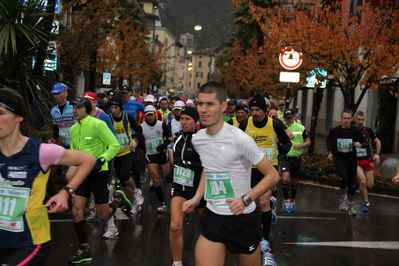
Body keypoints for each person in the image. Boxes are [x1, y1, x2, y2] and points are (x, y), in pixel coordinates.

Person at [183, 82, 279, 266]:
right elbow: (209, 168)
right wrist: (197, 197)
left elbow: (273, 175)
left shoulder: (240, 139)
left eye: (210, 104)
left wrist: (245, 199)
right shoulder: (198, 139)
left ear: (223, 106)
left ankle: (265, 259)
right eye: (200, 103)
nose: (203, 109)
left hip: (242, 219)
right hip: (213, 217)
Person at [0, 88, 95, 266]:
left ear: (18, 117)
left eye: (1, 113)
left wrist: (65, 192)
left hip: (31, 241)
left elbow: (87, 160)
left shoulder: (40, 151)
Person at [67, 97, 128, 264]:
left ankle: (118, 199)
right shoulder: (73, 129)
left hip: (99, 174)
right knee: (77, 210)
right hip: (82, 174)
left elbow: (114, 145)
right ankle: (85, 248)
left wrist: (102, 159)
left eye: (78, 108)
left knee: (103, 216)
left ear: (86, 109)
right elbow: (74, 150)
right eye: (73, 108)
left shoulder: (97, 124)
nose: (75, 111)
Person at [239, 93, 292, 252]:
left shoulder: (274, 124)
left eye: (258, 110)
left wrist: (282, 150)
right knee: (250, 203)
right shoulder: (245, 123)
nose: (254, 113)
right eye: (252, 110)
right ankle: (252, 231)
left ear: (266, 109)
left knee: (262, 201)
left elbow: (286, 143)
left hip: (268, 171)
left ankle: (264, 239)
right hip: (249, 170)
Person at [169, 106, 205, 266]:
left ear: (195, 121)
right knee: (175, 227)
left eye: (187, 119)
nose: (183, 122)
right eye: (182, 119)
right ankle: (177, 263)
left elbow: (206, 166)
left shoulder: (201, 139)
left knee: (207, 230)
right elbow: (176, 163)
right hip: (180, 189)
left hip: (199, 191)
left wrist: (187, 164)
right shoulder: (177, 139)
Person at [326, 110, 367, 216]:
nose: (346, 121)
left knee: (351, 184)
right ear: (341, 118)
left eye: (348, 118)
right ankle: (344, 197)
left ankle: (351, 204)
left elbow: (366, 142)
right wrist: (330, 152)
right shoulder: (335, 130)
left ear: (352, 119)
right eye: (344, 118)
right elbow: (328, 139)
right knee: (343, 179)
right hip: (340, 159)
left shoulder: (355, 131)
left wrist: (360, 145)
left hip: (352, 159)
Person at [109, 96, 144, 214]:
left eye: (116, 108)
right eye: (112, 108)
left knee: (124, 175)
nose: (113, 110)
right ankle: (134, 200)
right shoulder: (108, 119)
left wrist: (135, 139)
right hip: (115, 154)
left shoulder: (127, 118)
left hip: (127, 152)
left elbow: (139, 130)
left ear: (121, 108)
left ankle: (136, 192)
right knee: (123, 180)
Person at [141, 105, 173, 212]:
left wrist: (164, 145)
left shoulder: (161, 124)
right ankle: (162, 203)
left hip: (162, 154)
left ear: (155, 114)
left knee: (166, 179)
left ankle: (172, 199)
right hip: (150, 156)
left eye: (151, 114)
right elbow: (138, 138)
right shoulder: (142, 126)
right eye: (147, 115)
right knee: (155, 179)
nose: (150, 117)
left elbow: (170, 137)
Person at [281, 108, 311, 212]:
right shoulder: (281, 127)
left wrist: (300, 146)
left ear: (294, 117)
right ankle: (286, 201)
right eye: (287, 118)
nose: (288, 120)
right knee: (285, 178)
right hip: (285, 157)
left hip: (296, 158)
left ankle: (292, 200)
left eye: (290, 118)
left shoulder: (300, 128)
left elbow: (308, 142)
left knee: (294, 181)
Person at [354, 111, 381, 212]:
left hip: (367, 159)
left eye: (362, 120)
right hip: (356, 161)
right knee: (363, 181)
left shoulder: (367, 130)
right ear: (354, 119)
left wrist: (377, 154)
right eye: (359, 120)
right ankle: (366, 203)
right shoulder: (351, 131)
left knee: (370, 185)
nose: (360, 122)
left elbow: (378, 141)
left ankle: (361, 189)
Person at [49, 83, 75, 148]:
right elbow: (56, 127)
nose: (55, 96)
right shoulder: (53, 111)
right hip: (65, 145)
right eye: (54, 94)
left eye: (58, 93)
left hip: (77, 145)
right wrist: (54, 138)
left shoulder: (73, 107)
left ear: (66, 94)